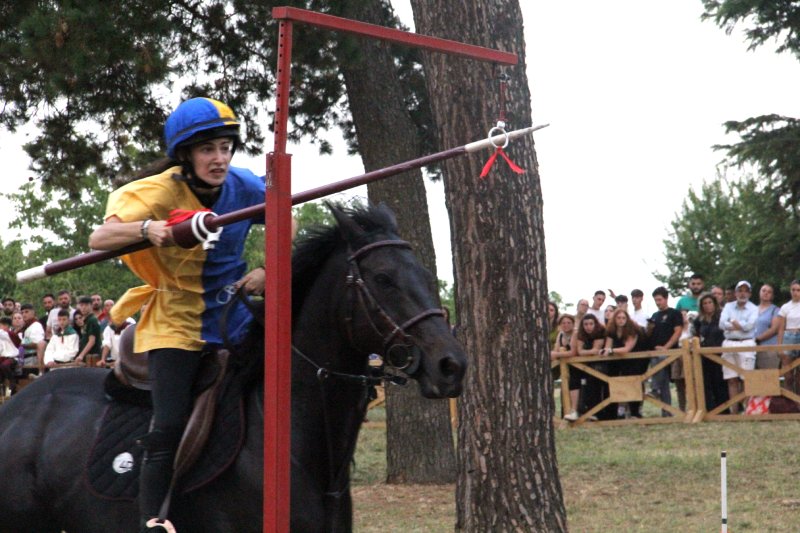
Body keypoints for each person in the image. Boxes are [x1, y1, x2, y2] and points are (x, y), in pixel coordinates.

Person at [88, 97, 271, 532]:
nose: (219, 158)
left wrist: (270, 266)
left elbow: (285, 213)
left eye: (225, 147)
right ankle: (152, 519)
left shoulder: (244, 184)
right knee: (168, 422)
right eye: (208, 149)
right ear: (185, 155)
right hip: (176, 321)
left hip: (236, 315)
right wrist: (148, 229)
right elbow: (100, 236)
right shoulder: (159, 190)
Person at [719, 280, 758, 414]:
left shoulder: (754, 308)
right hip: (729, 342)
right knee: (731, 378)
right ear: (735, 293)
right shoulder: (728, 306)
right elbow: (721, 324)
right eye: (740, 290)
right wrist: (738, 325)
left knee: (747, 379)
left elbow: (749, 326)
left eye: (745, 290)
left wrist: (734, 323)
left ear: (750, 293)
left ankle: (747, 410)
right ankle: (734, 411)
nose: (742, 293)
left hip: (746, 342)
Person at [601, 309, 642, 418]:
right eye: (618, 318)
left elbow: (627, 348)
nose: (621, 320)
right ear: (614, 319)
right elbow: (607, 346)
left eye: (623, 318)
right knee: (611, 382)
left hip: (633, 360)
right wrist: (606, 351)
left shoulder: (632, 330)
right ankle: (612, 414)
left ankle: (634, 412)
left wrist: (611, 351)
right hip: (616, 361)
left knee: (632, 384)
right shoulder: (610, 330)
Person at [563, 314, 606, 421]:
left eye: (591, 324)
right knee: (573, 376)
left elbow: (595, 350)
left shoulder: (601, 331)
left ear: (595, 324)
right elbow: (580, 352)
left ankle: (594, 412)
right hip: (583, 365)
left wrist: (585, 352)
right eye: (586, 324)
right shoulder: (579, 334)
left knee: (594, 379)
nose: (588, 327)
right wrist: (587, 352)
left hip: (600, 365)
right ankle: (574, 410)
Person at [648, 286, 683, 416]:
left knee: (661, 368)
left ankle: (654, 389)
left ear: (666, 298)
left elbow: (677, 332)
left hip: (671, 351)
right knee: (663, 380)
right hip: (656, 352)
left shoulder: (674, 313)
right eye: (656, 300)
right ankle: (667, 411)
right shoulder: (654, 316)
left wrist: (666, 347)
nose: (658, 302)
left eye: (660, 300)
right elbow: (650, 335)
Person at [693, 292, 729, 411]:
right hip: (704, 355)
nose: (708, 305)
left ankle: (724, 409)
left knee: (720, 382)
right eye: (705, 303)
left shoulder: (721, 316)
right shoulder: (699, 320)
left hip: (720, 354)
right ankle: (709, 409)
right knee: (706, 383)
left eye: (710, 302)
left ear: (714, 303)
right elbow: (696, 335)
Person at [777, 279, 800, 392]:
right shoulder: (785, 307)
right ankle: (789, 404)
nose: (795, 292)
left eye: (798, 290)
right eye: (793, 290)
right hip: (788, 336)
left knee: (799, 376)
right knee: (788, 374)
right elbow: (781, 328)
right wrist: (779, 347)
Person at [754, 283, 780, 370]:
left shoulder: (775, 310)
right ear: (759, 292)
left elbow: (774, 329)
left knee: (768, 379)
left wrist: (757, 339)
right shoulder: (752, 309)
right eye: (763, 290)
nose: (766, 293)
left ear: (772, 296)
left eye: (769, 292)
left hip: (768, 348)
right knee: (752, 379)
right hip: (751, 348)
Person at [74, 296, 103, 366]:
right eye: (81, 305)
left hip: (92, 356)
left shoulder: (92, 320)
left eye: (86, 305)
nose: (83, 307)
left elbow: (92, 341)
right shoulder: (85, 321)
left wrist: (81, 355)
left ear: (91, 306)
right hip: (87, 357)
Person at [19, 303, 46, 371]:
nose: (24, 314)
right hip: (26, 359)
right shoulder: (26, 327)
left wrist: (22, 345)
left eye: (26, 312)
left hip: (33, 358)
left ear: (33, 312)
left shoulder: (36, 325)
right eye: (22, 313)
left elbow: (38, 344)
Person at [0, 317, 20, 393]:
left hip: (12, 358)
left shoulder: (9, 334)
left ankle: (12, 381)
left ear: (6, 325)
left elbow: (3, 333)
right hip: (3, 357)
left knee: (4, 365)